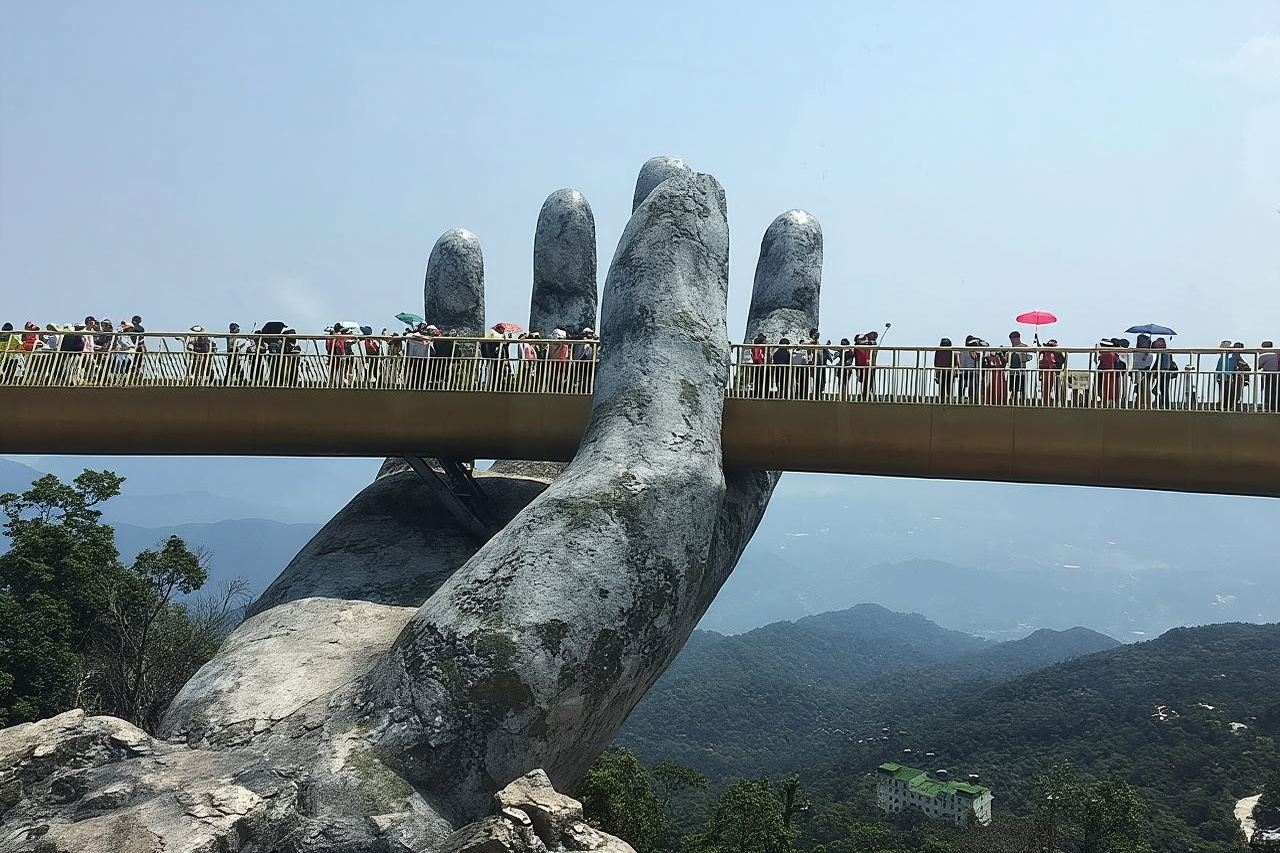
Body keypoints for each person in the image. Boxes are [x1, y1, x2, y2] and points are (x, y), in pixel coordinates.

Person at [1037, 339, 1065, 405]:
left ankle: (1056, 402)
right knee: (1046, 388)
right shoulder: (1044, 351)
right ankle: (1046, 402)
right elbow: (1040, 362)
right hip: (1046, 370)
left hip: (1054, 371)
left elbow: (1062, 360)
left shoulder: (1058, 352)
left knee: (1056, 388)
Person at [1007, 331, 1030, 403]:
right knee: (1013, 389)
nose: (1012, 341)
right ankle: (1013, 401)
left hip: (1021, 371)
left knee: (1022, 388)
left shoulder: (1024, 347)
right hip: (1012, 372)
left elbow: (1026, 357)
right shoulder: (1010, 349)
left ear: (1017, 338)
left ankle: (1022, 402)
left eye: (1012, 339)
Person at [1152, 337, 1176, 407]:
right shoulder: (1167, 352)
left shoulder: (1160, 353)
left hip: (1162, 372)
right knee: (1164, 389)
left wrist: (1153, 371)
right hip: (1166, 372)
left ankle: (1165, 404)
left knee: (1161, 389)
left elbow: (1157, 363)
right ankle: (1165, 404)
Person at [933, 338, 956, 402]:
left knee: (942, 387)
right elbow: (953, 361)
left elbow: (935, 361)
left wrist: (936, 371)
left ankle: (942, 399)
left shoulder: (938, 351)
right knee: (949, 387)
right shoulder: (951, 351)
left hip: (941, 371)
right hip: (949, 371)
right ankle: (949, 400)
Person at [1259, 341, 1278, 412]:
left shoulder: (1263, 355)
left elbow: (1258, 366)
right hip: (1277, 374)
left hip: (1268, 375)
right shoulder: (1276, 354)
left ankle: (1268, 406)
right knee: (1275, 391)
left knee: (1267, 390)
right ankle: (1275, 406)